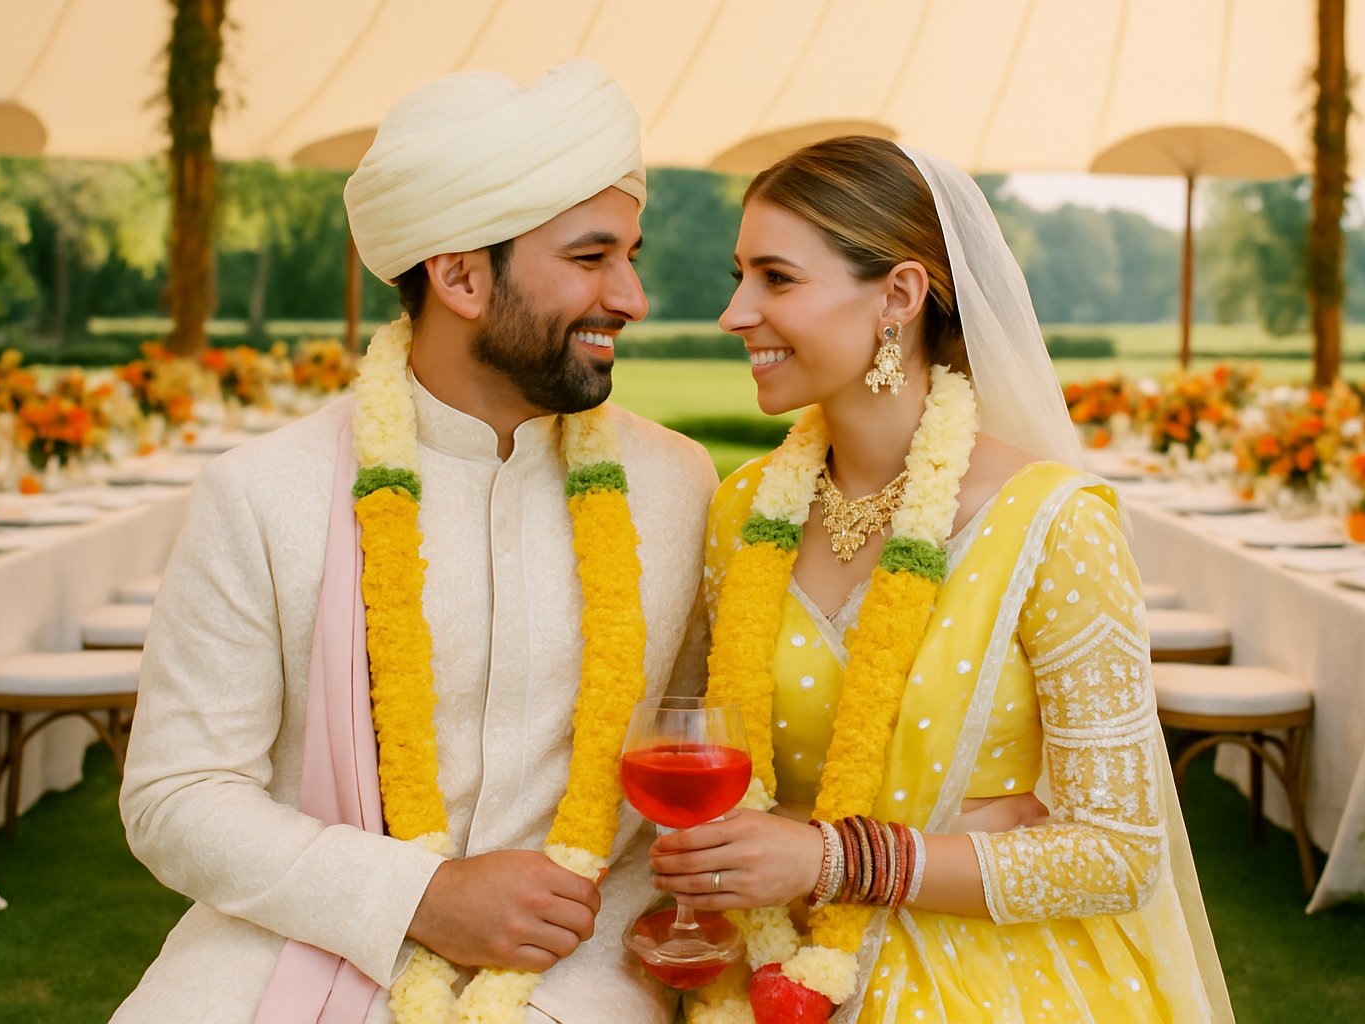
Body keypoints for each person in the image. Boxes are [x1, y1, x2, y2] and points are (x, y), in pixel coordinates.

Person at [112, 59, 716, 1024]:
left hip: (580, 956)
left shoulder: (677, 485)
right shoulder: (266, 492)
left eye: (628, 255)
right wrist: (420, 898)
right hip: (297, 935)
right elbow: (177, 796)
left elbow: (689, 756)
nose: (632, 297)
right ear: (462, 275)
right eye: (592, 258)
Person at [648, 137, 1233, 1023]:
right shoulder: (740, 514)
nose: (735, 311)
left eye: (776, 277)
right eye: (740, 275)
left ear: (899, 295)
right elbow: (711, 764)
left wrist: (834, 859)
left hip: (993, 983)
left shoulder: (1054, 523)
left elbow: (1118, 852)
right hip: (771, 970)